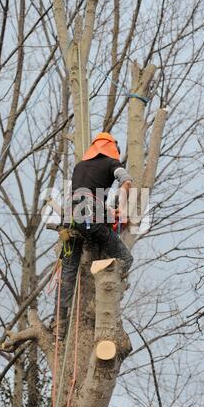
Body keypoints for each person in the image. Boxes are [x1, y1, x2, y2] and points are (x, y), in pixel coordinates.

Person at [51, 132, 133, 339]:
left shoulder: (80, 166)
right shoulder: (112, 163)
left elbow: (81, 195)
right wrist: (121, 208)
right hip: (89, 217)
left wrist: (107, 212)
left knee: (67, 275)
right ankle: (105, 300)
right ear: (111, 148)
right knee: (125, 258)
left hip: (71, 219)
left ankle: (59, 326)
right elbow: (126, 181)